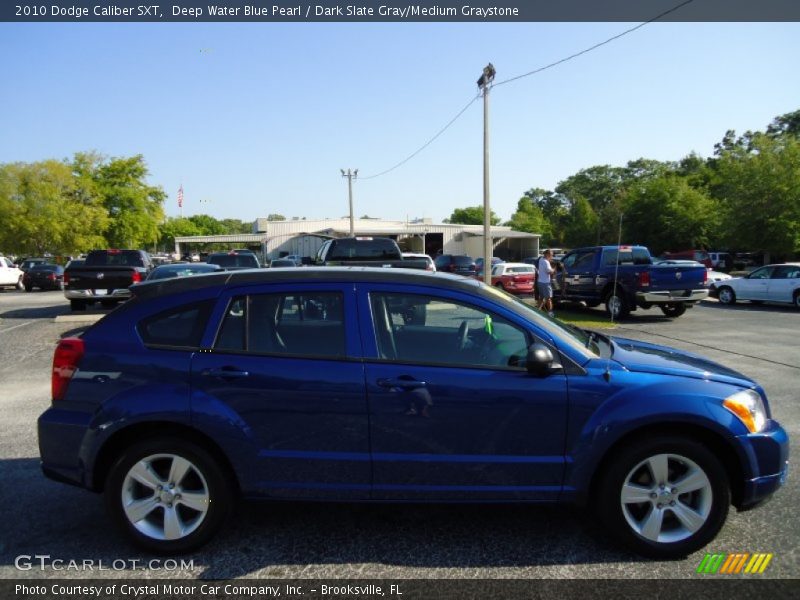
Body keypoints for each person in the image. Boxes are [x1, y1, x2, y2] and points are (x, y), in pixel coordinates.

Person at [537, 249, 556, 317]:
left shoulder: (541, 259)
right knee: (548, 298)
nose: (552, 257)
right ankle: (550, 313)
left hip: (540, 282)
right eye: (551, 255)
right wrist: (554, 269)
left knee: (541, 298)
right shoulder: (546, 262)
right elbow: (549, 272)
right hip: (545, 283)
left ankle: (538, 311)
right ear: (547, 255)